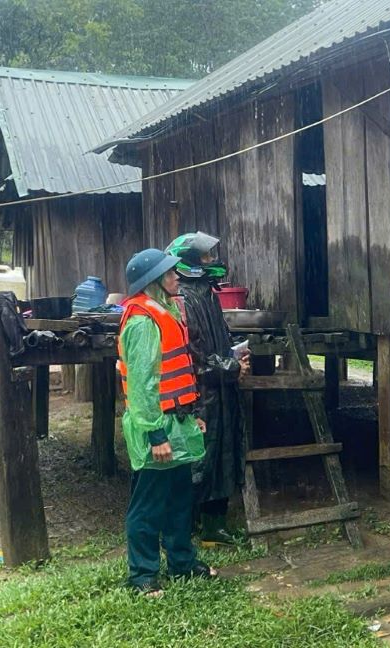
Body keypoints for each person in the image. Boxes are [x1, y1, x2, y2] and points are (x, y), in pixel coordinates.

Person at [118, 248, 217, 596]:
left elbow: (178, 375)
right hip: (156, 427)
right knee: (148, 502)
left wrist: (191, 417)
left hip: (178, 421)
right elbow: (144, 387)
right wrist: (156, 434)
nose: (177, 276)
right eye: (170, 272)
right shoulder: (143, 322)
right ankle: (142, 575)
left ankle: (181, 563)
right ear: (154, 281)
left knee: (179, 499)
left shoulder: (168, 312)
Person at [165, 232, 249, 546]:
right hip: (199, 393)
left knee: (225, 457)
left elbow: (221, 341)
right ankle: (183, 531)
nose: (212, 262)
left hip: (222, 389)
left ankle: (215, 527)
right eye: (205, 257)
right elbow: (194, 356)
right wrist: (230, 367)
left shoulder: (207, 292)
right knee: (197, 461)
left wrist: (237, 357)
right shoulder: (184, 298)